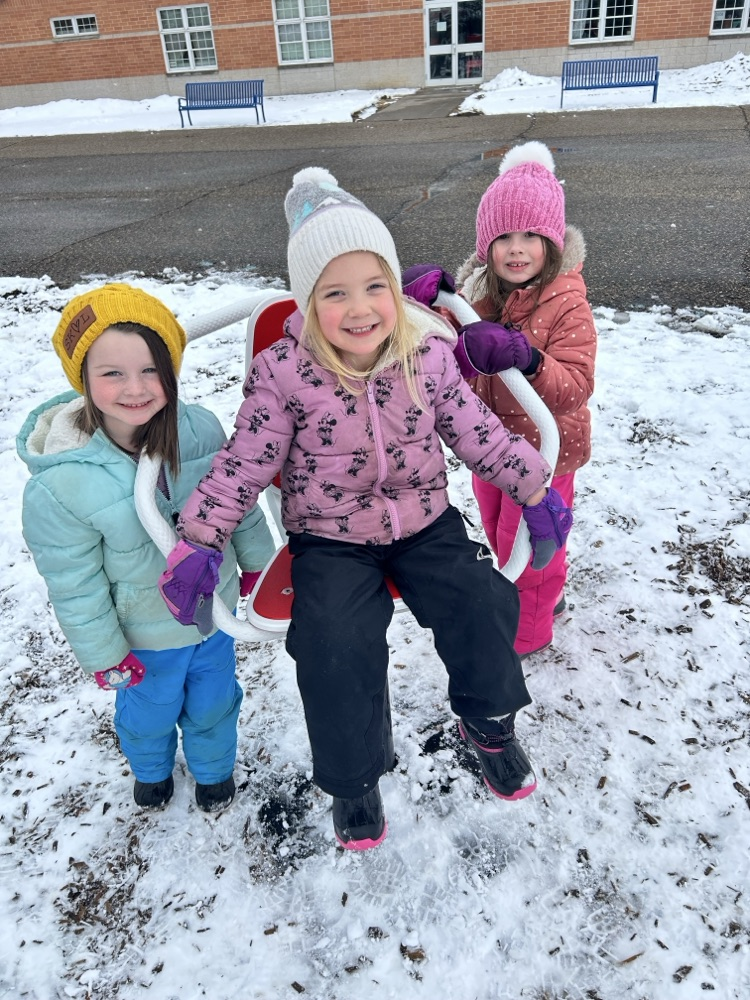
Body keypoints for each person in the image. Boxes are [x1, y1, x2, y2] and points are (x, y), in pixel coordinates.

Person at [158, 167, 572, 851]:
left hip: (425, 521)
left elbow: (477, 432)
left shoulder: (425, 355)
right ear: (306, 300)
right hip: (330, 536)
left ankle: (487, 723)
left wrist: (532, 488)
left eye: (375, 286)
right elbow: (245, 462)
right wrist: (200, 539)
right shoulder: (285, 371)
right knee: (330, 644)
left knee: (484, 600)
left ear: (393, 289)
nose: (360, 309)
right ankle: (353, 781)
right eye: (335, 293)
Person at [16, 283, 275, 812]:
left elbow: (240, 501)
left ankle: (213, 771)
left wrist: (257, 565)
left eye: (151, 369)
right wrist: (105, 653)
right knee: (149, 712)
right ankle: (152, 771)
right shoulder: (62, 484)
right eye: (112, 373)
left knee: (213, 703)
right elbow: (75, 582)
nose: (136, 388)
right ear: (82, 378)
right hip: (143, 638)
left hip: (211, 617)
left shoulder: (198, 431)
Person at [403, 141, 595, 659]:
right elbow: (447, 340)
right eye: (504, 236)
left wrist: (528, 357)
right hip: (489, 445)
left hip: (543, 454)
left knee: (528, 551)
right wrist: (429, 306)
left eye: (531, 235)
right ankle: (537, 591)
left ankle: (526, 636)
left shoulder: (566, 301)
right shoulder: (482, 293)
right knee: (498, 534)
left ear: (552, 242)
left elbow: (576, 385)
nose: (517, 248)